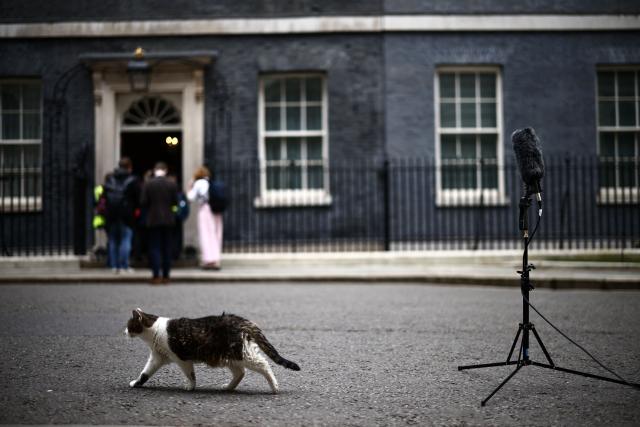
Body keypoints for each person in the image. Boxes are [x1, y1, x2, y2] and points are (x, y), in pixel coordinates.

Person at [141, 162, 179, 284]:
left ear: (155, 170)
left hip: (153, 219)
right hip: (168, 219)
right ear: (165, 170)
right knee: (167, 247)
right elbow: (175, 202)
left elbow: (143, 202)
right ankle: (166, 275)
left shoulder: (149, 184)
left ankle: (156, 275)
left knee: (155, 248)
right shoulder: (171, 184)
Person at [103, 158, 139, 273]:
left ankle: (113, 266)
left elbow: (104, 197)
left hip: (111, 213)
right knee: (126, 238)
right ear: (129, 167)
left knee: (112, 239)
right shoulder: (132, 180)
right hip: (126, 213)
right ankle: (124, 265)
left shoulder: (110, 179)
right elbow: (138, 198)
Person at [187, 166, 223, 270]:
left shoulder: (199, 183)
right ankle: (216, 259)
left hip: (205, 209)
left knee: (206, 234)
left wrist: (189, 186)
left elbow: (190, 197)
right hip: (216, 210)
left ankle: (208, 260)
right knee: (216, 234)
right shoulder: (212, 182)